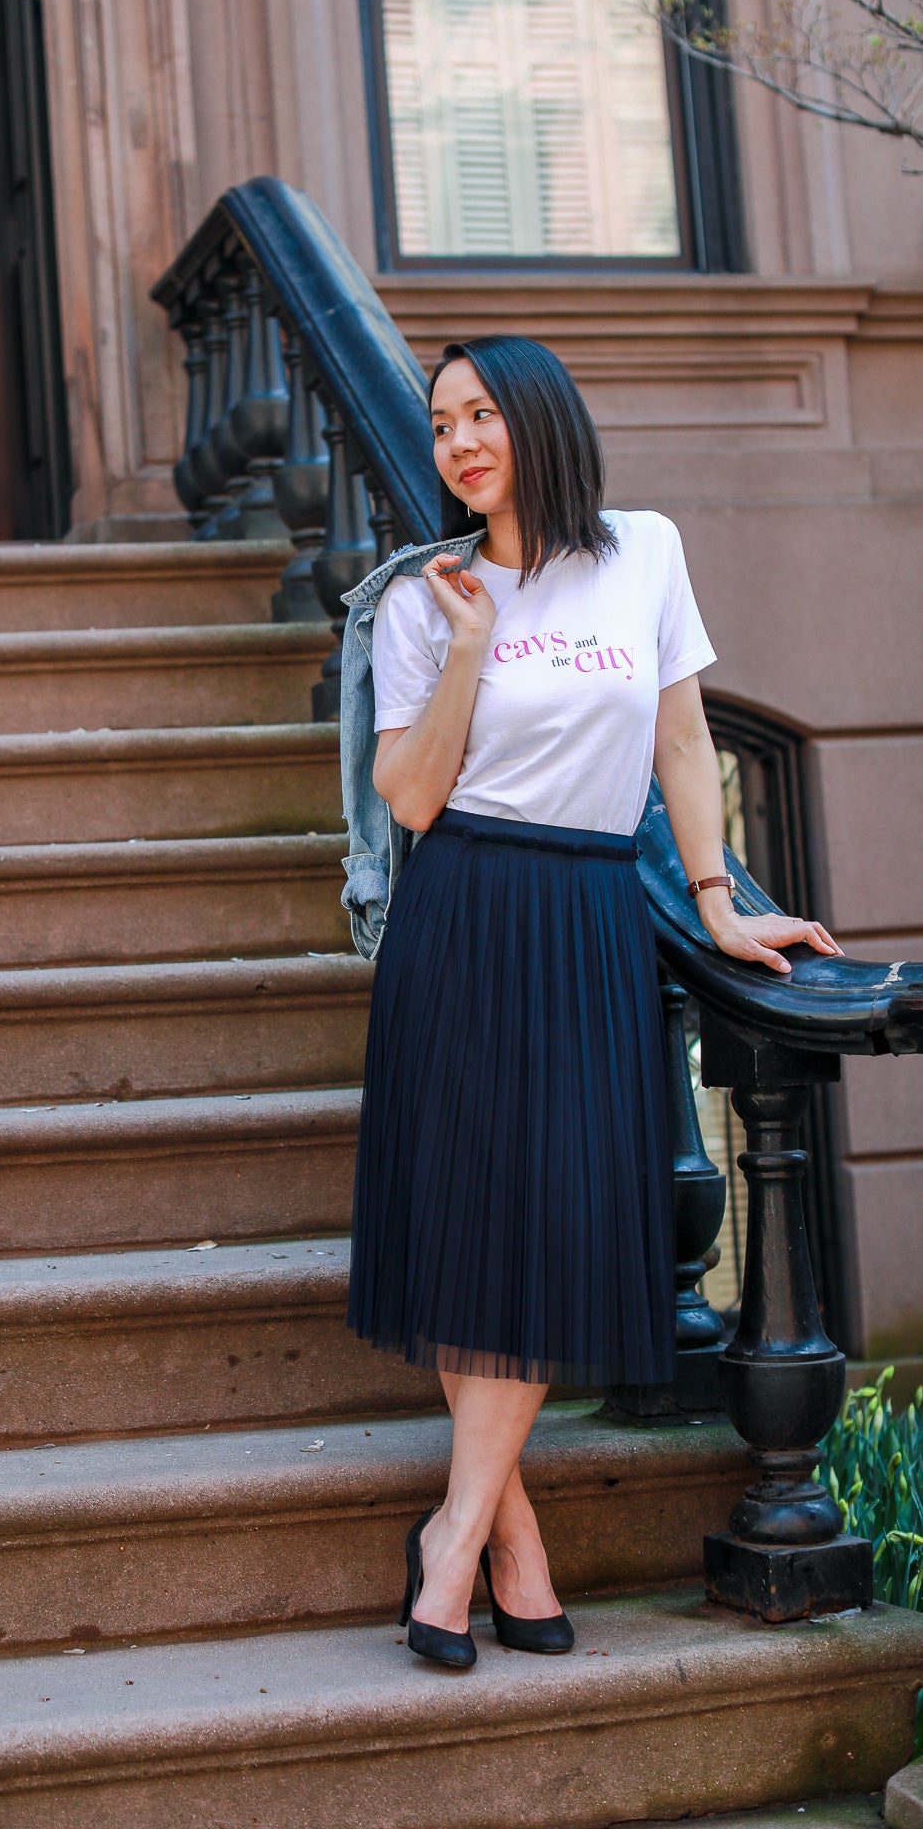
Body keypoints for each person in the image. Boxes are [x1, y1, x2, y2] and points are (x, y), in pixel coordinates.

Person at [341, 336, 842, 1669]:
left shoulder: (644, 552)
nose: (455, 441)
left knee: (550, 1215)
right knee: (470, 1220)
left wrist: (715, 896)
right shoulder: (420, 598)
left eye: (479, 412)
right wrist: (467, 648)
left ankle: (462, 1532)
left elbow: (678, 736)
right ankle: (493, 1544)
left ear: (540, 419)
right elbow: (409, 800)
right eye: (439, 422)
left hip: (582, 914)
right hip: (462, 909)